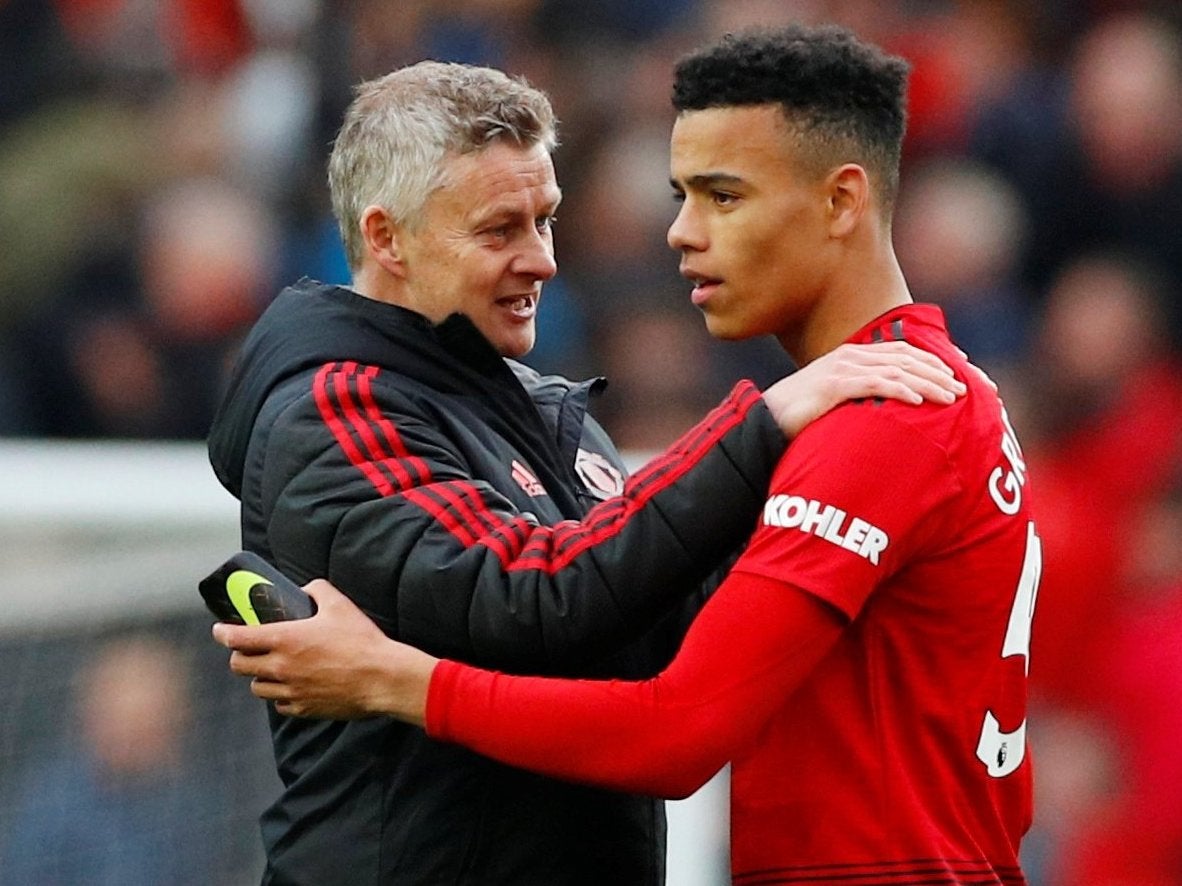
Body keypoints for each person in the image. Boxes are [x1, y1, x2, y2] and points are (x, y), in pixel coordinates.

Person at [216, 25, 1040, 885]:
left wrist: (392, 679)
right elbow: (550, 599)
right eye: (502, 228)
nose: (679, 233)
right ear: (388, 238)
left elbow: (672, 715)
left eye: (722, 196)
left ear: (840, 202)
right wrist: (751, 434)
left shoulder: (878, 409)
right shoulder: (338, 407)